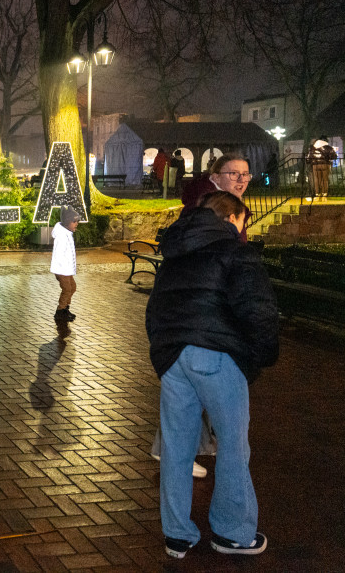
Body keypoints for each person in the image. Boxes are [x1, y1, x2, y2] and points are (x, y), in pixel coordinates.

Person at [146, 191, 279, 559]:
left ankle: (177, 534)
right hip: (217, 355)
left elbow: (155, 307)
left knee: (176, 447)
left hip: (175, 356)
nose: (243, 230)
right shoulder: (235, 252)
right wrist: (261, 357)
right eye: (243, 222)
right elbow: (258, 310)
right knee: (234, 447)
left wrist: (164, 351)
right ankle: (232, 532)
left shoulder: (176, 252)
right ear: (231, 218)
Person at [180, 153, 252, 242]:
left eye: (245, 174)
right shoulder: (207, 205)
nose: (241, 180)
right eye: (234, 173)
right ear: (216, 177)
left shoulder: (227, 201)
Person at [50, 206, 79, 322]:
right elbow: (59, 254)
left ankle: (65, 309)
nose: (76, 223)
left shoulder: (67, 233)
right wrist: (62, 268)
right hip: (62, 269)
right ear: (67, 222)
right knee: (67, 289)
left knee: (72, 288)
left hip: (67, 269)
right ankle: (60, 311)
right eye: (74, 221)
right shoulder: (62, 236)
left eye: (77, 221)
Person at [307, 136, 336, 200]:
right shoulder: (328, 147)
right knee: (325, 180)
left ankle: (317, 194)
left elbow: (308, 158)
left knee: (317, 180)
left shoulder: (313, 148)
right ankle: (324, 195)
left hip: (315, 165)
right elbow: (334, 156)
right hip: (325, 164)